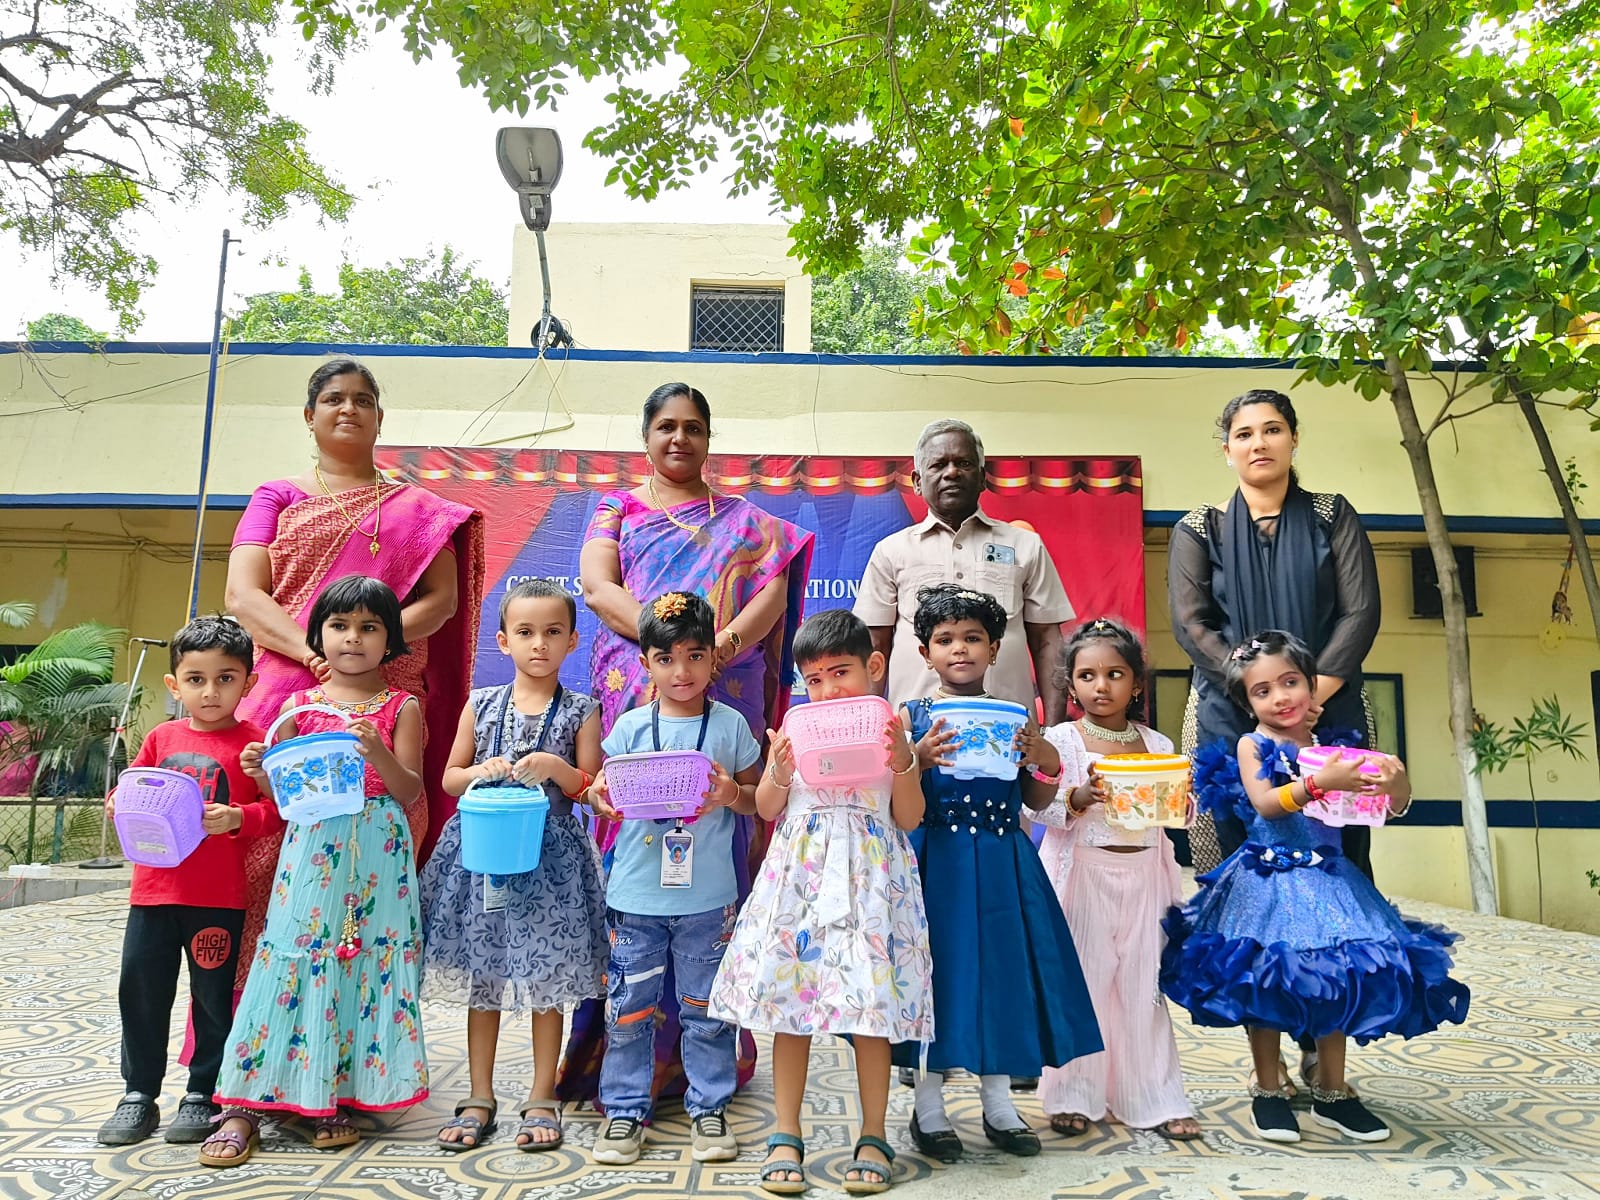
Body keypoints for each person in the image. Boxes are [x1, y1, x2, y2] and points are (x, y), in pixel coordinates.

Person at [559, 382, 813, 1108]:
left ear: (708, 438)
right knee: (631, 855)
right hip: (634, 692)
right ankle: (618, 1059)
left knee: (717, 846)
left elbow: (773, 588)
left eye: (693, 427)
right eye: (666, 426)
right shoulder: (617, 509)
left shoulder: (745, 523)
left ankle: (705, 1063)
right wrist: (669, 645)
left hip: (720, 692)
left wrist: (716, 648)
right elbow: (597, 586)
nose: (679, 438)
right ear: (646, 436)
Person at [224, 358, 483, 999]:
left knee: (369, 874)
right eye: (334, 398)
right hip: (286, 696)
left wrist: (369, 645)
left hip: (385, 699)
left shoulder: (416, 508)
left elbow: (441, 602)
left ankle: (356, 1034)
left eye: (363, 400)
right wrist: (316, 653)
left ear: (379, 418)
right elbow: (244, 596)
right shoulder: (277, 497)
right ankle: (252, 1032)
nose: (348, 408)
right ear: (309, 416)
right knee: (264, 861)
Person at [1160, 631, 1470, 1146]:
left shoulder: (1334, 750)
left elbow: (1380, 806)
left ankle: (1333, 1091)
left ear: (1311, 686)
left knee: (1338, 978)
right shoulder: (1252, 744)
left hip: (1330, 879)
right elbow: (1266, 804)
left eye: (1290, 683)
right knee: (1262, 980)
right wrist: (1321, 782)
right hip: (1266, 879)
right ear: (1247, 703)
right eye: (1262, 691)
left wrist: (1396, 786)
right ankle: (1268, 1089)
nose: (1280, 697)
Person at [1166, 387, 1382, 1094]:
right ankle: (1268, 1057)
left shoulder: (1331, 515)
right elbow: (1193, 625)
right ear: (1226, 448)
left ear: (1293, 439)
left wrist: (1309, 694)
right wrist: (1261, 696)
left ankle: (1324, 1041)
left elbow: (1359, 611)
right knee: (1246, 887)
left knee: (1337, 878)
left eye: (1272, 430)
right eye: (1244, 433)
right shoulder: (1197, 528)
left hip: (1328, 714)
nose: (1258, 443)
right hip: (1231, 719)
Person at [202, 576, 429, 1167]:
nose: (353, 638)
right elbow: (281, 799)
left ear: (391, 640)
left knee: (363, 961)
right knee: (292, 956)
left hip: (379, 853)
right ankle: (243, 1106)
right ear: (318, 636)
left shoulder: (402, 707)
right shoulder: (296, 709)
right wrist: (260, 771)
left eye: (369, 627)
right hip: (312, 850)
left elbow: (409, 790)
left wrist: (377, 752)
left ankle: (331, 1097)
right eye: (339, 625)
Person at [710, 608, 933, 1196]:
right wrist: (780, 772)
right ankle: (786, 1132)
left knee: (870, 1012)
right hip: (800, 883)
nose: (829, 689)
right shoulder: (796, 730)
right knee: (792, 1007)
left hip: (872, 884)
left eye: (841, 673)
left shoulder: (892, 730)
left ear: (874, 666)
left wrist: (903, 760)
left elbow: (910, 816)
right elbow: (766, 809)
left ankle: (874, 1134)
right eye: (814, 679)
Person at [894, 586, 1102, 1164]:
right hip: (934, 861)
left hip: (1004, 859)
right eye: (945, 640)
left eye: (973, 638)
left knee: (1003, 976)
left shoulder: (1017, 714)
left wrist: (1045, 760)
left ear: (994, 649)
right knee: (933, 978)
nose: (959, 649)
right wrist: (916, 758)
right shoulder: (910, 717)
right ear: (925, 652)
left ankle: (999, 1104)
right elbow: (894, 798)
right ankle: (928, 1108)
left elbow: (1035, 798)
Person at [421, 579, 607, 1153]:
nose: (539, 644)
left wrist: (556, 767)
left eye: (553, 632)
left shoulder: (581, 710)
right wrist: (478, 772)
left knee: (548, 980)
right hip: (484, 858)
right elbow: (449, 778)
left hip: (551, 865)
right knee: (485, 978)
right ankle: (480, 1094)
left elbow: (590, 789)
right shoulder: (480, 704)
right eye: (525, 632)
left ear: (572, 640)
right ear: (503, 641)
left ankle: (541, 1094)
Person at [583, 592, 763, 1166]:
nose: (681, 671)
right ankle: (623, 1111)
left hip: (709, 900)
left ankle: (710, 1108)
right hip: (635, 896)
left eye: (694, 656)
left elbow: (759, 799)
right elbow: (599, 792)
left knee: (706, 1010)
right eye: (665, 658)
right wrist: (600, 800)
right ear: (645, 664)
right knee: (628, 1009)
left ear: (714, 657)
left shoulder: (731, 725)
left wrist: (730, 794)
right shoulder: (630, 728)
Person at [95, 618, 282, 1147]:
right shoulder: (161, 738)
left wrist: (240, 816)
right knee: (142, 992)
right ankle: (138, 1094)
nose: (210, 691)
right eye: (196, 679)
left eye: (226, 678)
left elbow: (277, 811)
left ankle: (203, 1092)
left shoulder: (254, 744)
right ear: (174, 685)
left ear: (248, 683)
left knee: (212, 999)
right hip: (152, 895)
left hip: (218, 900)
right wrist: (117, 803)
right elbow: (129, 788)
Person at [1034, 618, 1199, 1140]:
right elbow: (1036, 807)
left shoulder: (1157, 742)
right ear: (1070, 684)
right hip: (1083, 875)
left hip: (1144, 875)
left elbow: (1173, 814)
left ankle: (1154, 1096)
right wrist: (1077, 798)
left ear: (1137, 683)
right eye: (1087, 676)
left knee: (1142, 988)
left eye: (1115, 674)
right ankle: (1071, 1094)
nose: (1100, 686)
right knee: (1083, 986)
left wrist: (1184, 804)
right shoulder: (1061, 740)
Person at [855, 419, 1073, 719]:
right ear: (917, 481)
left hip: (1009, 730)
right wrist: (872, 730)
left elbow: (1047, 641)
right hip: (917, 734)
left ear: (982, 477)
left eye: (964, 463)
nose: (952, 472)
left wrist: (1053, 729)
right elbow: (874, 649)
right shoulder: (890, 551)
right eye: (938, 465)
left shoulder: (1025, 545)